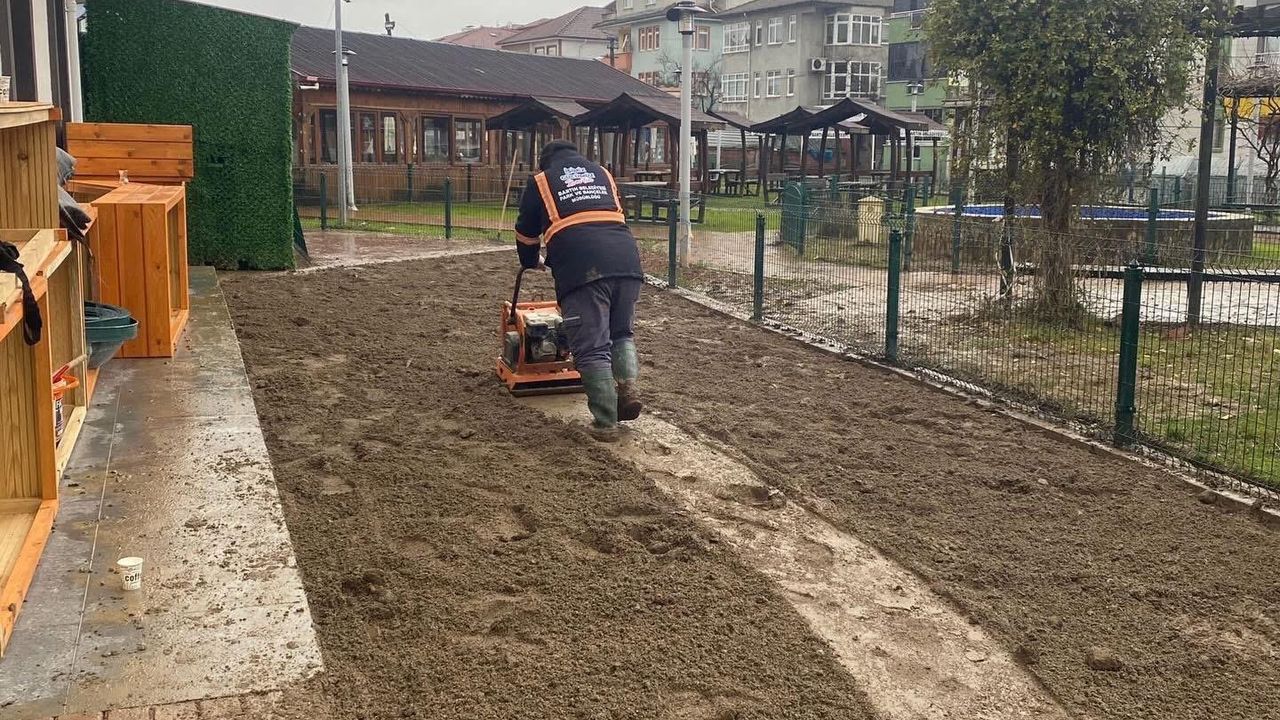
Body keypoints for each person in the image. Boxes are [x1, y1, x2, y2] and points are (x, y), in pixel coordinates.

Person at [514, 141, 644, 441]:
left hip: (582, 268)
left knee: (591, 348)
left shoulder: (542, 181)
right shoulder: (602, 173)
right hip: (626, 261)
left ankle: (605, 424)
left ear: (543, 162)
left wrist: (531, 262)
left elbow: (526, 233)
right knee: (621, 334)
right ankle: (626, 391)